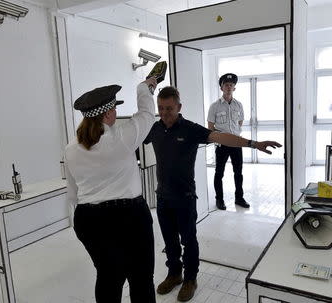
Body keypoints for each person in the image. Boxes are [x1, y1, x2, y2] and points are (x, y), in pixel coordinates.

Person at [144, 86, 281, 302]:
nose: (164, 113)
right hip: (163, 197)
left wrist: (253, 144)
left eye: (169, 108)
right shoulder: (154, 128)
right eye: (160, 108)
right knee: (169, 241)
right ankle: (174, 274)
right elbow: (131, 141)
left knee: (188, 241)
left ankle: (190, 279)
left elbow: (223, 137)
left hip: (185, 198)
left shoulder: (189, 129)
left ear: (179, 107)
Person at [64, 77, 158, 303]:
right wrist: (144, 88)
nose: (116, 113)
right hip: (129, 217)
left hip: (88, 220)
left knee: (108, 276)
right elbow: (147, 114)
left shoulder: (70, 149)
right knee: (141, 277)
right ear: (107, 114)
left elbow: (73, 193)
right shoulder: (122, 137)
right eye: (114, 109)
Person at [207, 73, 248, 210]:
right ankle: (219, 200)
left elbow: (240, 122)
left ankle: (239, 198)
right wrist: (220, 138)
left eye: (231, 85)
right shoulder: (215, 106)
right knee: (219, 173)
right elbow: (210, 127)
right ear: (221, 87)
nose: (229, 87)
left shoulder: (239, 105)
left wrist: (235, 135)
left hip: (236, 143)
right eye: (226, 85)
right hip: (222, 144)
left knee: (238, 172)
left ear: (234, 88)